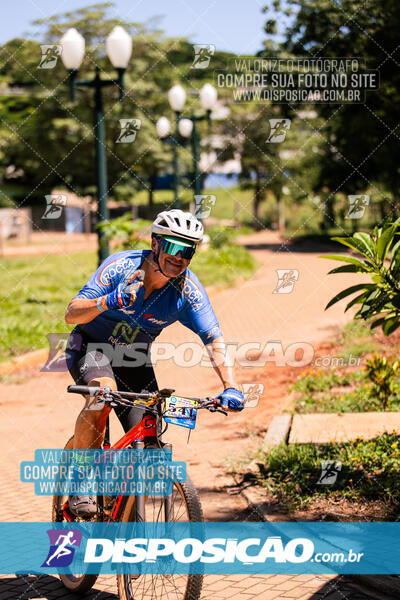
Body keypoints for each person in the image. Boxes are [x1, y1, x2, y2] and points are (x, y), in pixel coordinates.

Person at [65, 209, 245, 517]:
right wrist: (107, 301)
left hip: (132, 359)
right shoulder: (121, 267)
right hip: (90, 347)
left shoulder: (187, 290)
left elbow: (213, 338)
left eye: (188, 250)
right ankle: (80, 480)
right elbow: (72, 313)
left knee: (150, 442)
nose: (179, 257)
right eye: (173, 247)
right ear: (156, 244)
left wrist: (230, 386)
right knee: (101, 397)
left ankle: (127, 520)